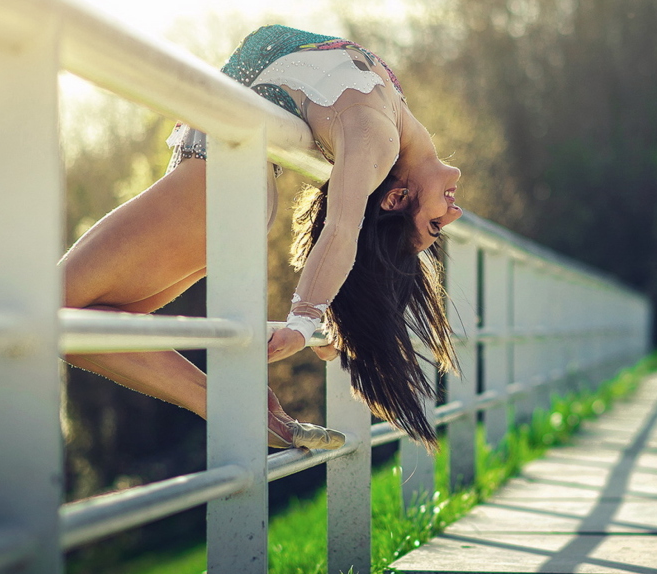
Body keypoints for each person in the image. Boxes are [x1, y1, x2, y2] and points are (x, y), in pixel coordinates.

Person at [61, 25, 463, 451]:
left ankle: (230, 406)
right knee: (95, 320)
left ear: (397, 198)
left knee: (51, 307)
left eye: (437, 224)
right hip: (224, 188)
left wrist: (305, 319)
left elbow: (343, 230)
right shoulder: (391, 119)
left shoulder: (377, 140)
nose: (453, 213)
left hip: (217, 186)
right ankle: (237, 405)